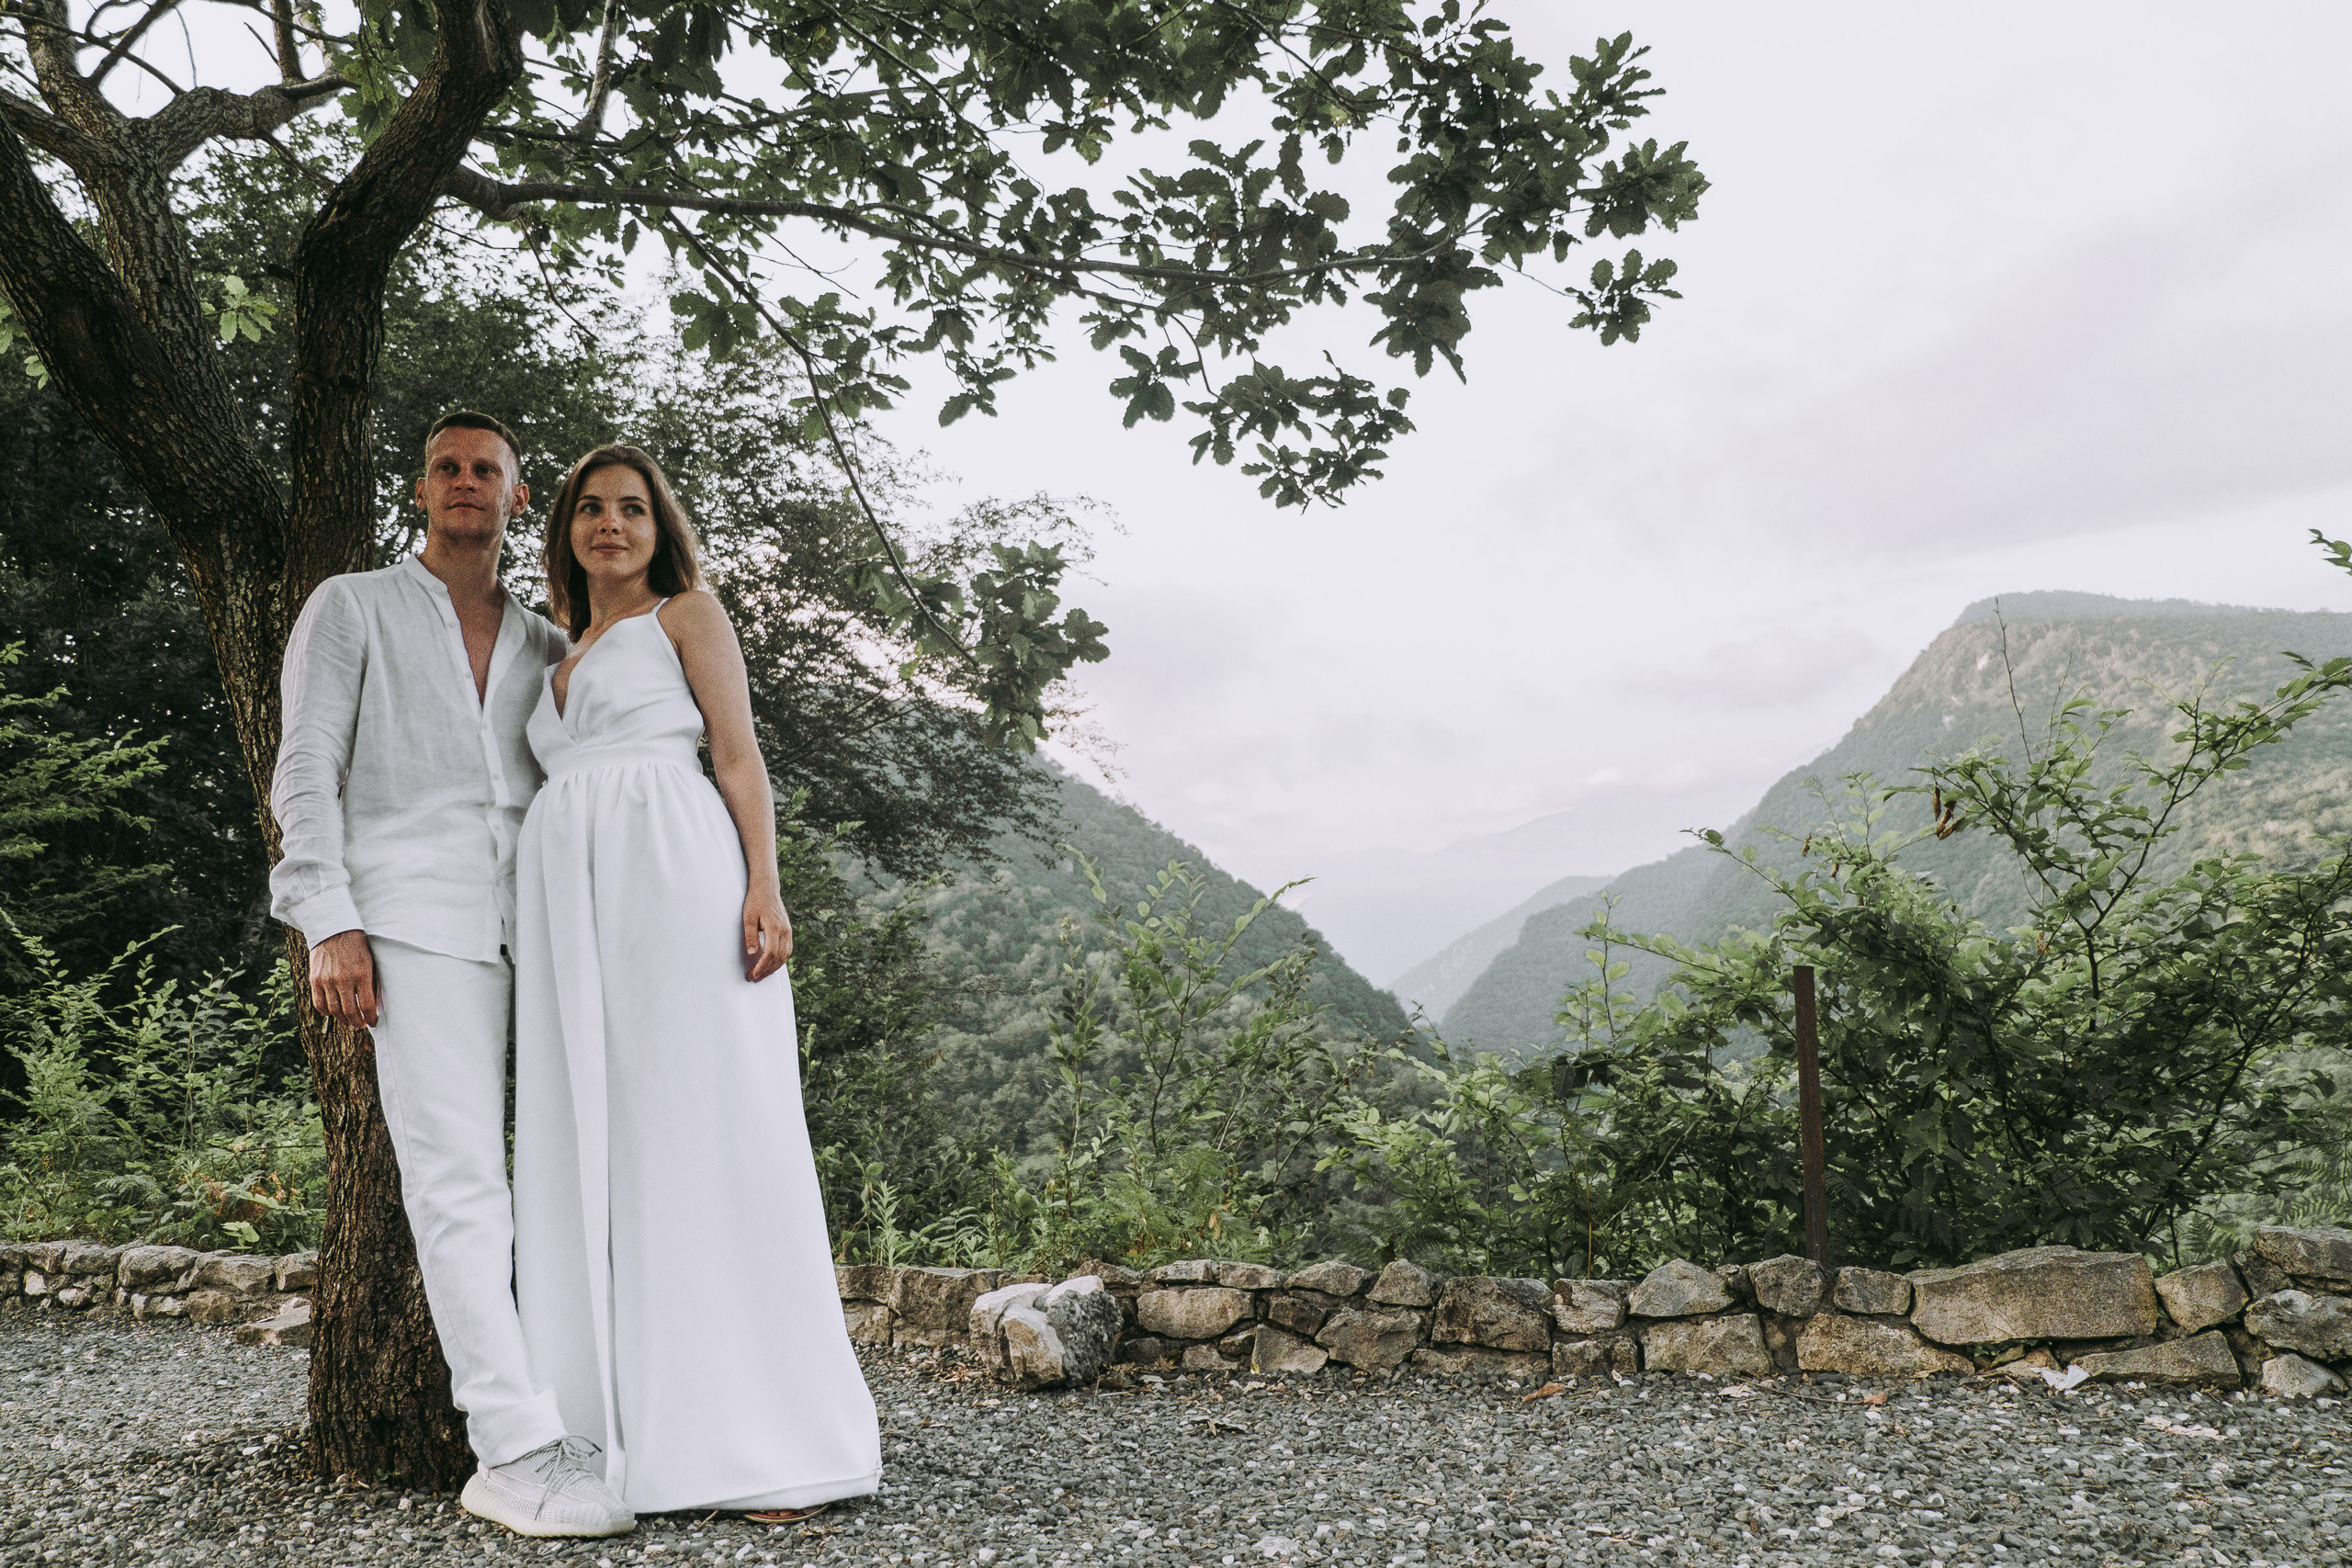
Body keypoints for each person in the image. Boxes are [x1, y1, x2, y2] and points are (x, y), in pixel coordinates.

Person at [269, 412, 638, 1538]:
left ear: (518, 499)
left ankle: (607, 1411)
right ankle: (511, 1448)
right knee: (459, 1179)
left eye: (488, 471)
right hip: (410, 922)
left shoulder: (545, 644)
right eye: (447, 469)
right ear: (422, 492)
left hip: (542, 925)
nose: (466, 483)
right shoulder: (353, 607)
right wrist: (327, 922)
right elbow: (305, 770)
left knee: (577, 1173)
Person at [510, 445, 881, 1517]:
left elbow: (738, 756)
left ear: (659, 528)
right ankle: (613, 1427)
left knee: (701, 1132)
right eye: (591, 507)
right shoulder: (557, 653)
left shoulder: (687, 616)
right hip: (574, 910)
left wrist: (765, 887)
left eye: (632, 508)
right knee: (601, 1147)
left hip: (673, 880)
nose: (611, 524)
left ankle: (761, 1443)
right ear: (568, 528)